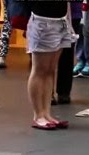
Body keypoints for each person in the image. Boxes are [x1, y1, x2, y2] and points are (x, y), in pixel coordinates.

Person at [25, 2, 74, 130]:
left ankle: (46, 113)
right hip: (43, 20)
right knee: (39, 69)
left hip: (61, 20)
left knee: (50, 69)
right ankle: (38, 115)